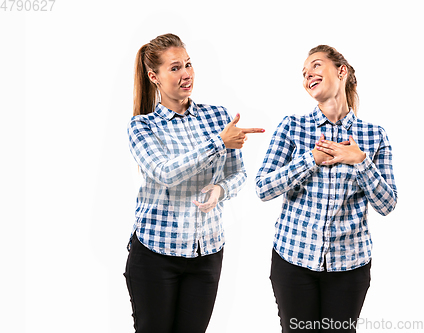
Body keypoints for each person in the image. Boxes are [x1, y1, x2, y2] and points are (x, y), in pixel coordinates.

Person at [124, 33, 264, 333]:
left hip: (206, 253)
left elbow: (238, 174)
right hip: (155, 255)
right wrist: (218, 143)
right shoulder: (142, 126)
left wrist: (220, 189)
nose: (186, 73)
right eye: (174, 68)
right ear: (154, 76)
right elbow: (165, 172)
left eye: (188, 65)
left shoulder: (218, 117)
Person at [255, 45, 397, 332]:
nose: (309, 75)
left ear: (341, 71)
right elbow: (263, 188)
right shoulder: (293, 127)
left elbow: (387, 204)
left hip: (350, 267)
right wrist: (311, 160)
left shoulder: (374, 135)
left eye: (316, 66)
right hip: (293, 261)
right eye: (305, 73)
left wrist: (360, 161)